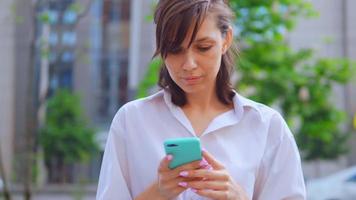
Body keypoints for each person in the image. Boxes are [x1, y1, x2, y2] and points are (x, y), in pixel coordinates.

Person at [96, 0, 306, 199]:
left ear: (226, 40)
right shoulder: (131, 120)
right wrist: (159, 193)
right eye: (175, 49)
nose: (189, 64)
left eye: (203, 47)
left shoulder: (267, 126)